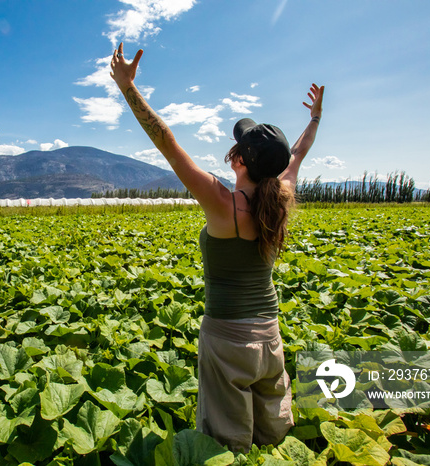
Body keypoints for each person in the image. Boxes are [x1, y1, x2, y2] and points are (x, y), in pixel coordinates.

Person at [110, 43, 324, 452]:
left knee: (227, 447)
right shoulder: (281, 196)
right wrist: (314, 117)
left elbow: (168, 144)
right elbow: (298, 152)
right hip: (270, 338)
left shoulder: (224, 205)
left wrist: (128, 88)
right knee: (274, 436)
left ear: (239, 159)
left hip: (227, 339)